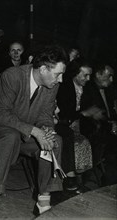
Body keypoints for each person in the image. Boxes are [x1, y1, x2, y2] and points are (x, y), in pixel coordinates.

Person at [0, 45, 68, 220]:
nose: (61, 79)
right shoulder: (12, 76)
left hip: (22, 127)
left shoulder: (51, 85)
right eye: (58, 74)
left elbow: (45, 115)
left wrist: (46, 130)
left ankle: (43, 202)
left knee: (55, 141)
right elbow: (1, 113)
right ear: (42, 69)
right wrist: (34, 131)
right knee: (10, 136)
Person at [56, 58, 93, 191]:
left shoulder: (87, 90)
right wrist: (83, 113)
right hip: (63, 124)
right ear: (75, 74)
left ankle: (83, 179)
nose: (88, 78)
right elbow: (64, 114)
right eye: (85, 75)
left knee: (93, 137)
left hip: (79, 125)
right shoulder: (64, 87)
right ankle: (70, 179)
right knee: (71, 138)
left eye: (90, 75)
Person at [80, 63, 117, 185]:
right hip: (94, 131)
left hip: (108, 129)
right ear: (98, 74)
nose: (112, 79)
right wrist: (110, 125)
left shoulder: (109, 91)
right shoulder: (87, 89)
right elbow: (90, 115)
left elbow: (111, 113)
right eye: (109, 76)